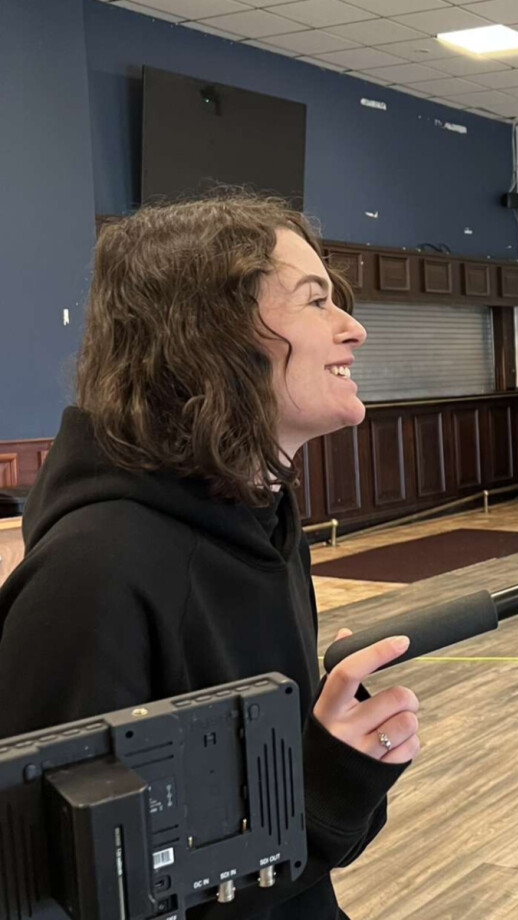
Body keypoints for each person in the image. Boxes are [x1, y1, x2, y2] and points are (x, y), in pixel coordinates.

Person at [0, 194, 420, 918]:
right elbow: (67, 895)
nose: (352, 327)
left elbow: (279, 836)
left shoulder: (266, 521)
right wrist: (318, 793)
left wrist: (337, 765)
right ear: (210, 335)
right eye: (315, 300)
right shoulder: (92, 575)